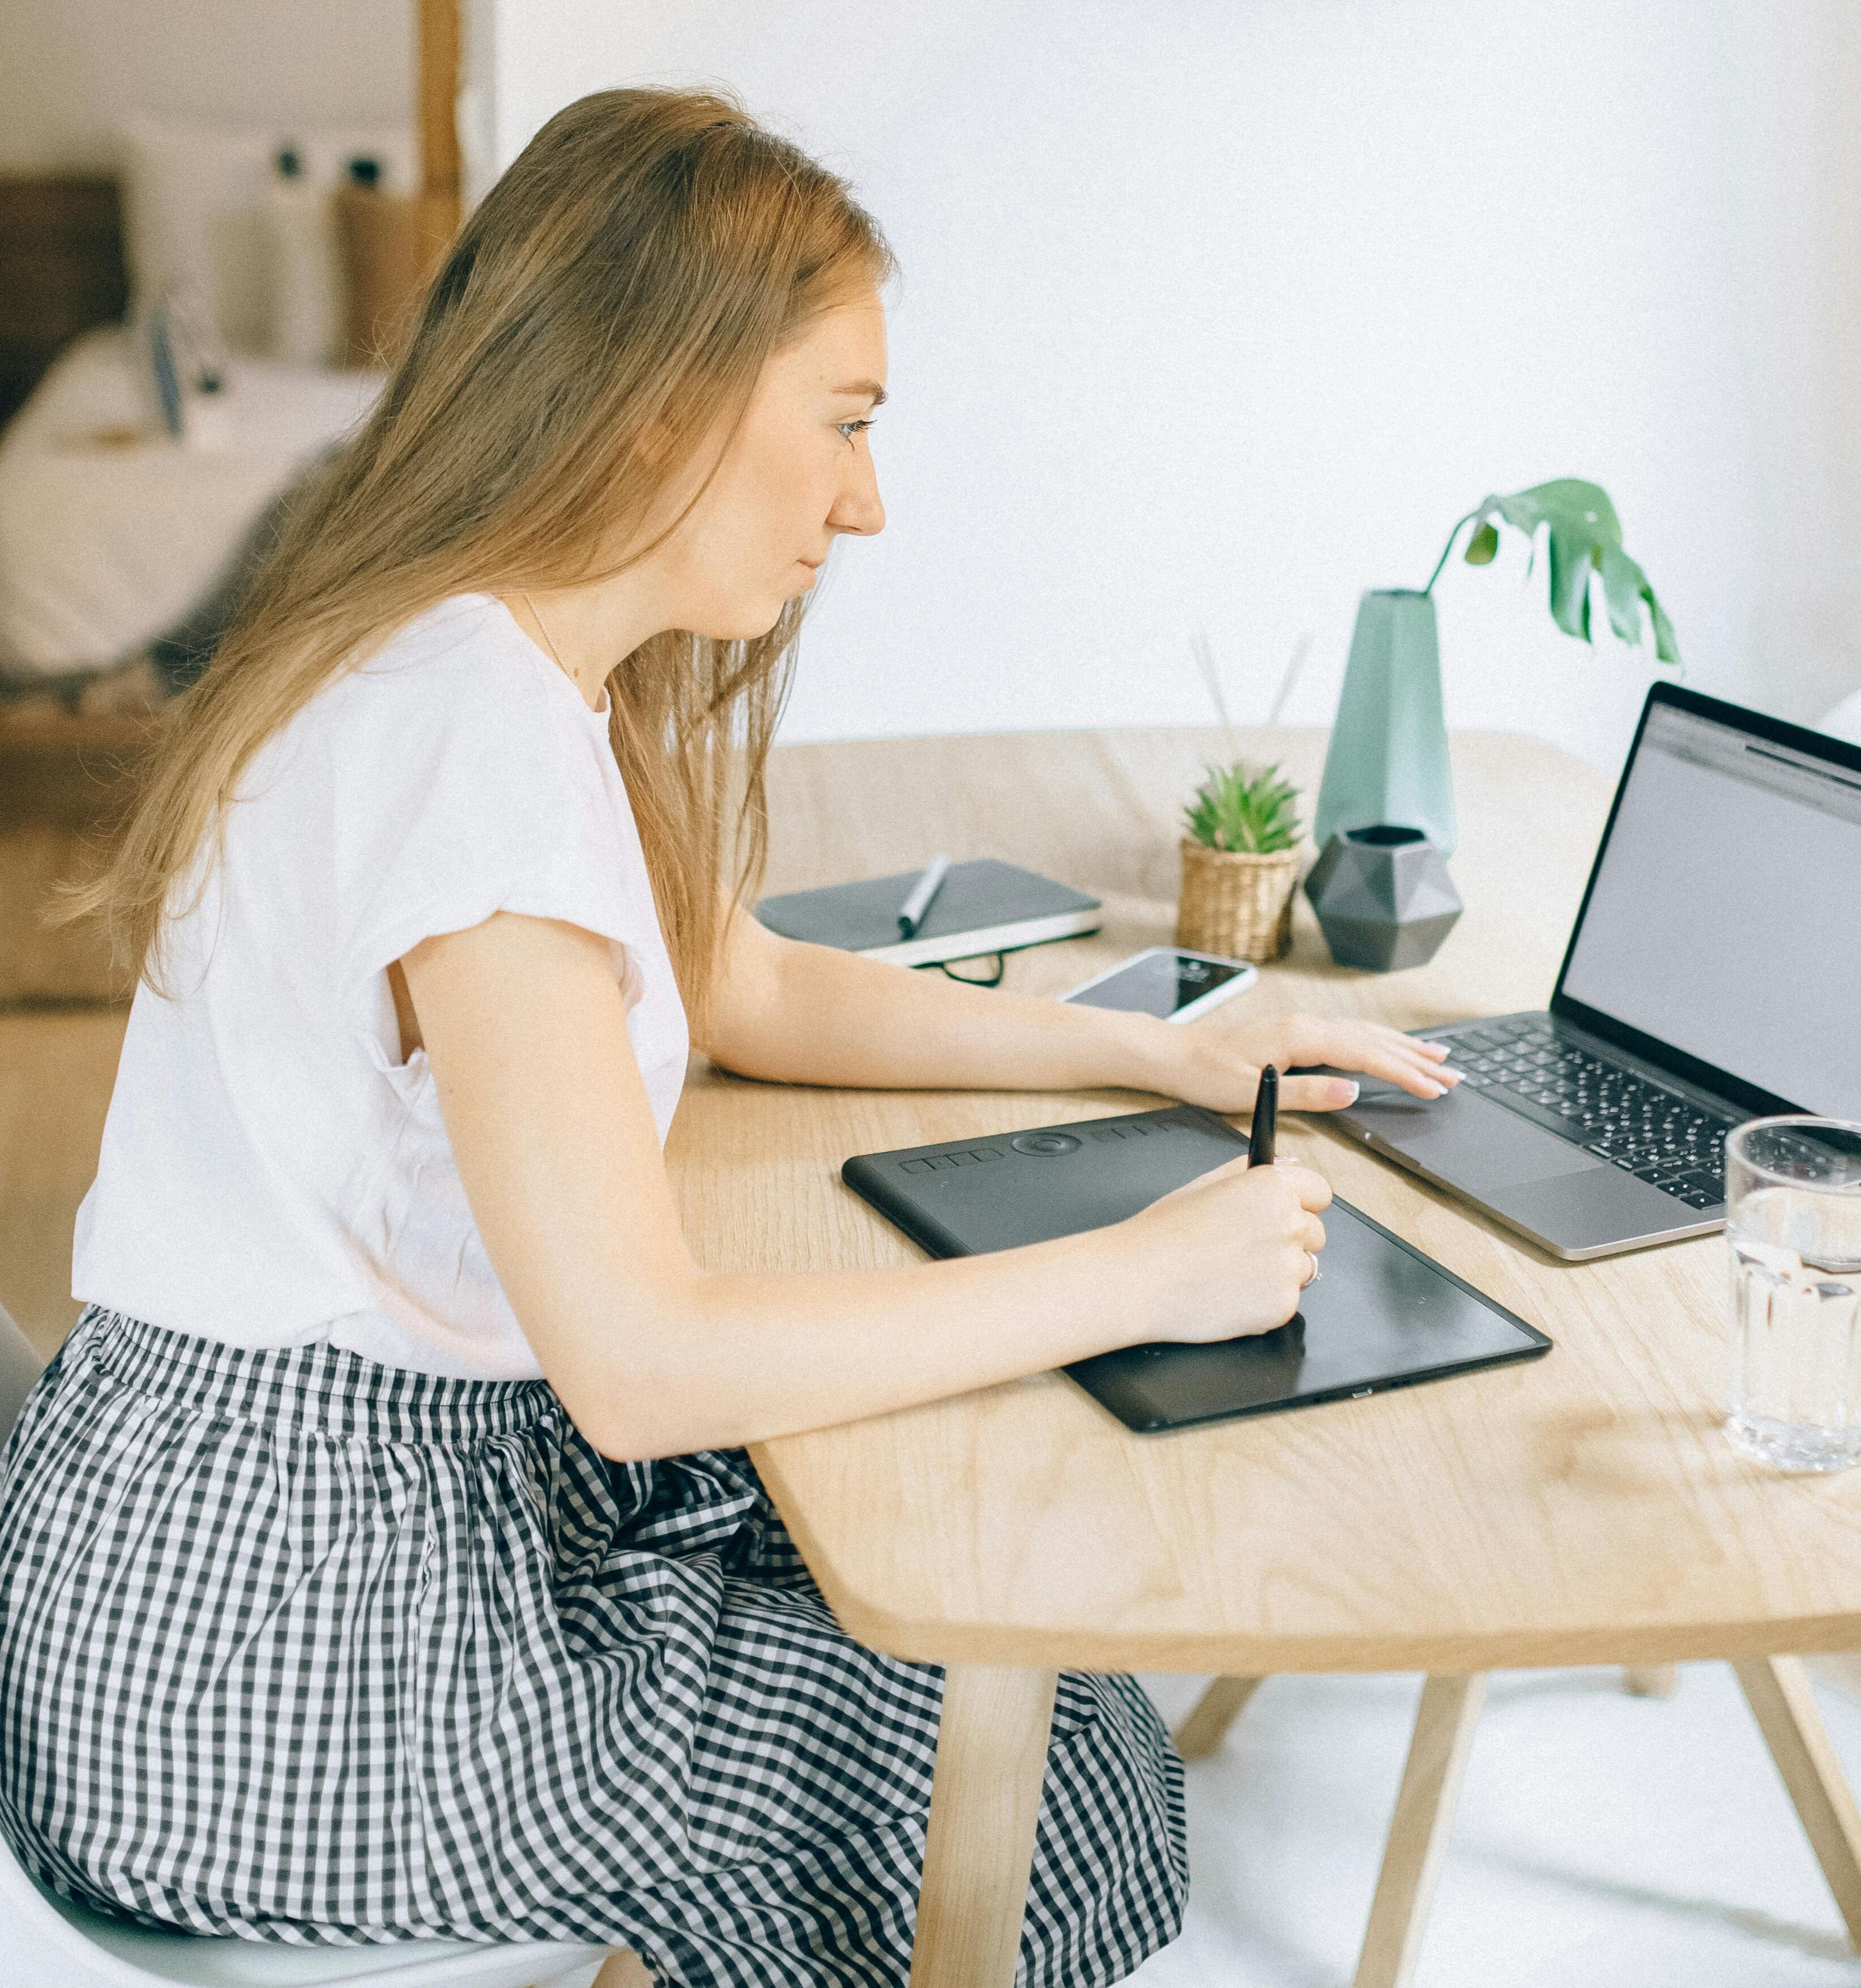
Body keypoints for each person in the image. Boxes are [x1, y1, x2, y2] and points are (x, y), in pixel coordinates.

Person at [0, 88, 1457, 1988]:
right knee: (1035, 1760)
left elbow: (748, 992)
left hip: (236, 1522)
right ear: (659, 402)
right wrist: (1138, 1273)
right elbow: (644, 1365)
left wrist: (1152, 1051)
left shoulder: (478, 656)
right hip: (280, 1645)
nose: (869, 501)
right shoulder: (471, 748)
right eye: (844, 426)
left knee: (940, 1598)